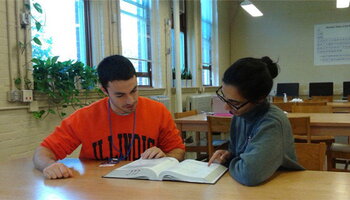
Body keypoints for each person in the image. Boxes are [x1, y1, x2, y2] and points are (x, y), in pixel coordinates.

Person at [33, 55, 185, 179]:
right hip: (97, 187)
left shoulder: (158, 111)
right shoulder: (85, 117)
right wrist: (49, 166)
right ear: (104, 91)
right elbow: (43, 151)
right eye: (120, 95)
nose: (130, 100)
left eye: (134, 91)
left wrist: (166, 157)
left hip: (145, 188)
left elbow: (178, 150)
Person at [208, 56, 303, 186]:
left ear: (259, 99)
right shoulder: (239, 115)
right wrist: (229, 155)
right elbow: (239, 155)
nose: (226, 107)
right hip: (248, 189)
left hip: (278, 189)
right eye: (224, 97)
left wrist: (231, 162)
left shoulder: (272, 122)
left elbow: (249, 174)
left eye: (234, 102)